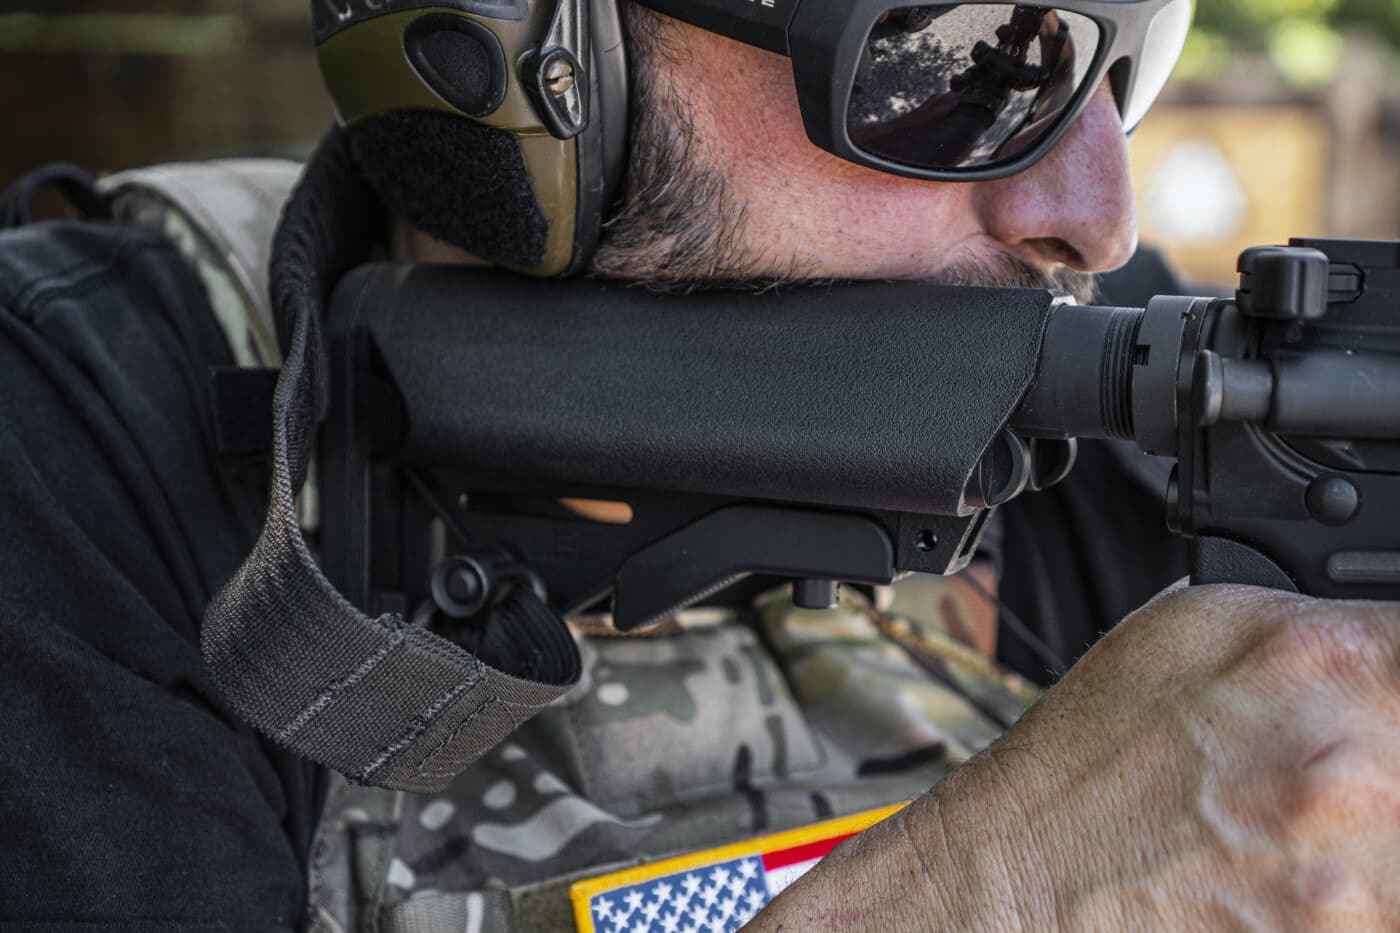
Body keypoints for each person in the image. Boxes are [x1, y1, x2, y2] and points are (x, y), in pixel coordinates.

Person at [1, 2, 1397, 931]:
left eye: (1118, 63)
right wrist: (997, 887)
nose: (1095, 215)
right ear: (526, 52)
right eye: (965, 52)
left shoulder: (1137, 392)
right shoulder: (68, 439)